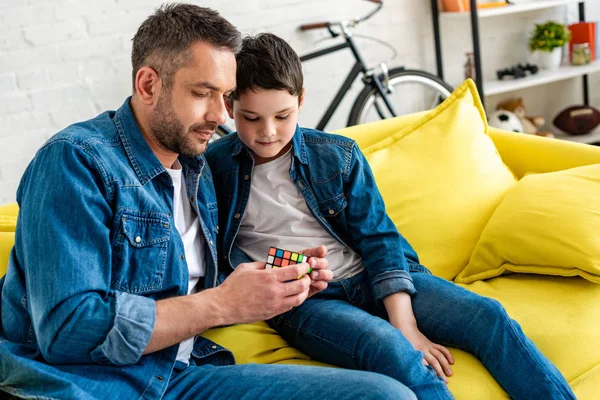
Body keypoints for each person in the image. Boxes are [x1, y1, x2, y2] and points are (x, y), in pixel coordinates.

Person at [0, 4, 418, 400]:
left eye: (227, 95)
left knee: (386, 395)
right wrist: (220, 305)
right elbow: (66, 329)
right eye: (204, 93)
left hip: (181, 377)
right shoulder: (77, 161)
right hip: (89, 386)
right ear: (148, 85)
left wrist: (282, 278)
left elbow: (196, 286)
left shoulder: (198, 170)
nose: (222, 115)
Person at [204, 32, 577, 400]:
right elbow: (206, 252)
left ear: (301, 101)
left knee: (489, 316)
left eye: (282, 116)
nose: (267, 132)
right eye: (250, 118)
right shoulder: (213, 168)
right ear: (230, 105)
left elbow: (379, 239)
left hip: (372, 275)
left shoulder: (338, 155)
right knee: (385, 346)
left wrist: (407, 325)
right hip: (307, 302)